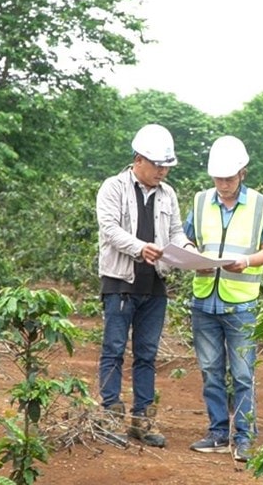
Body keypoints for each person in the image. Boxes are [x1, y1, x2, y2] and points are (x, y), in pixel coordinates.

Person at [95, 123, 192, 448]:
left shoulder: (169, 194)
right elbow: (109, 228)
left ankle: (142, 420)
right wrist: (140, 247)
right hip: (120, 282)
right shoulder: (113, 187)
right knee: (113, 350)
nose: (162, 171)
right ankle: (110, 416)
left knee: (147, 355)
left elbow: (176, 233)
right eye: (157, 165)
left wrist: (191, 252)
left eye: (166, 166)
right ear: (139, 159)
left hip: (154, 286)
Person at [184, 135, 263, 462]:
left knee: (242, 373)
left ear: (242, 173)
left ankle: (245, 438)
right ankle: (218, 433)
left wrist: (247, 261)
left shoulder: (260, 204)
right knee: (210, 370)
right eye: (217, 178)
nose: (222, 184)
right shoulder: (199, 201)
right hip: (204, 299)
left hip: (240, 303)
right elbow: (186, 240)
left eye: (229, 178)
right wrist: (193, 257)